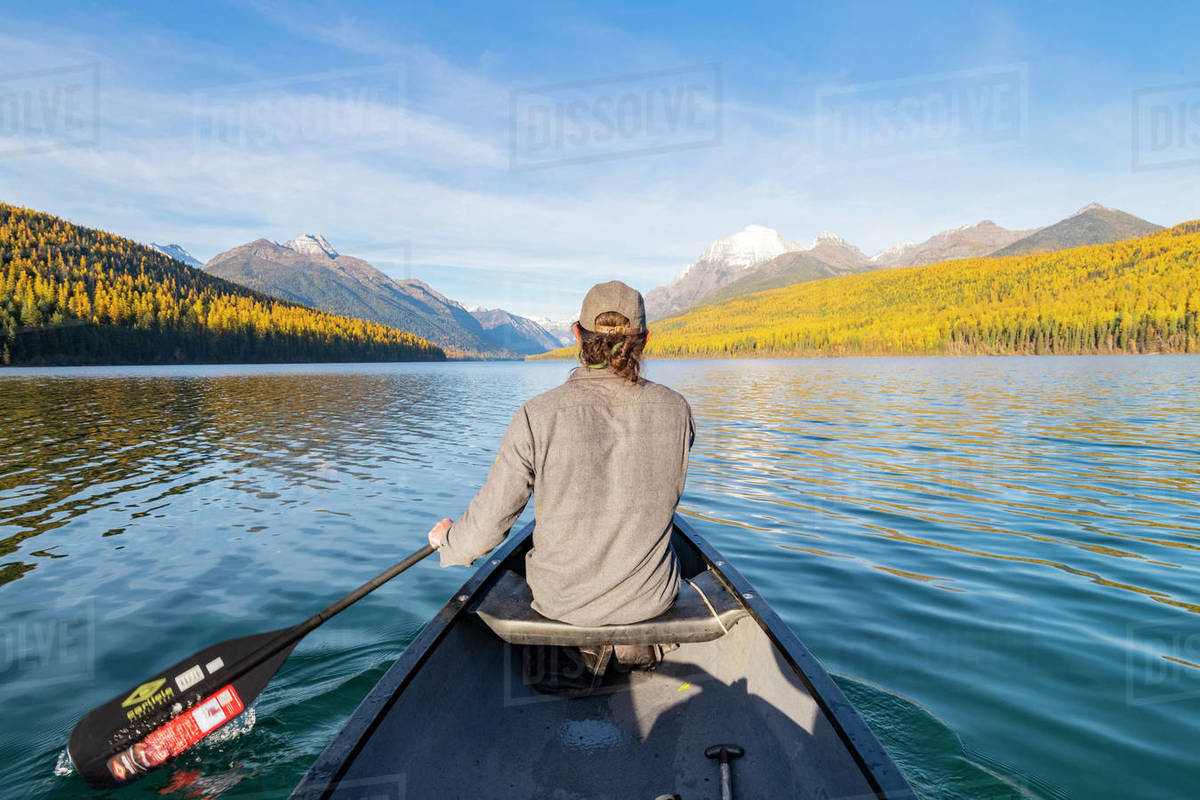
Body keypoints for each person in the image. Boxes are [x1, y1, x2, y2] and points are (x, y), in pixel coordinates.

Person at [426, 280, 695, 676]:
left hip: (562, 608)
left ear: (577, 336)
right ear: (644, 340)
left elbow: (485, 531)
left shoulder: (536, 415)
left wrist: (449, 540)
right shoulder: (677, 410)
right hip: (650, 603)